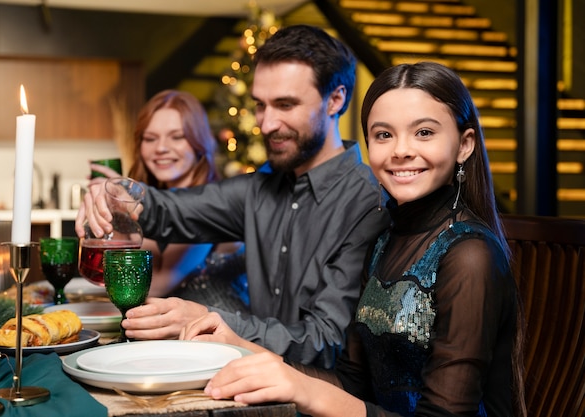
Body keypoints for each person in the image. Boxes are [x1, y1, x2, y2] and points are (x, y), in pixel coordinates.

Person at [179, 61, 526, 417]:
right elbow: (351, 384)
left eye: (423, 132)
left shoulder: (470, 255)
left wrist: (302, 389)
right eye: (383, 135)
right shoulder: (384, 240)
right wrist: (240, 346)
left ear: (465, 145)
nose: (400, 150)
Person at [75, 24, 390, 368]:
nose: (266, 124)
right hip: (248, 380)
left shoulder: (368, 202)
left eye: (284, 104)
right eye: (260, 105)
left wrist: (209, 318)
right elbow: (167, 211)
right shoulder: (259, 189)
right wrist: (111, 191)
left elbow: (325, 343)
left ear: (336, 100)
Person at [89, 89, 246, 308]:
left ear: (199, 143)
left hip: (220, 338)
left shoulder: (210, 203)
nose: (161, 148)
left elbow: (158, 284)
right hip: (172, 336)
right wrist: (110, 205)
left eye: (177, 137)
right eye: (150, 138)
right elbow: (117, 267)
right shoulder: (153, 207)